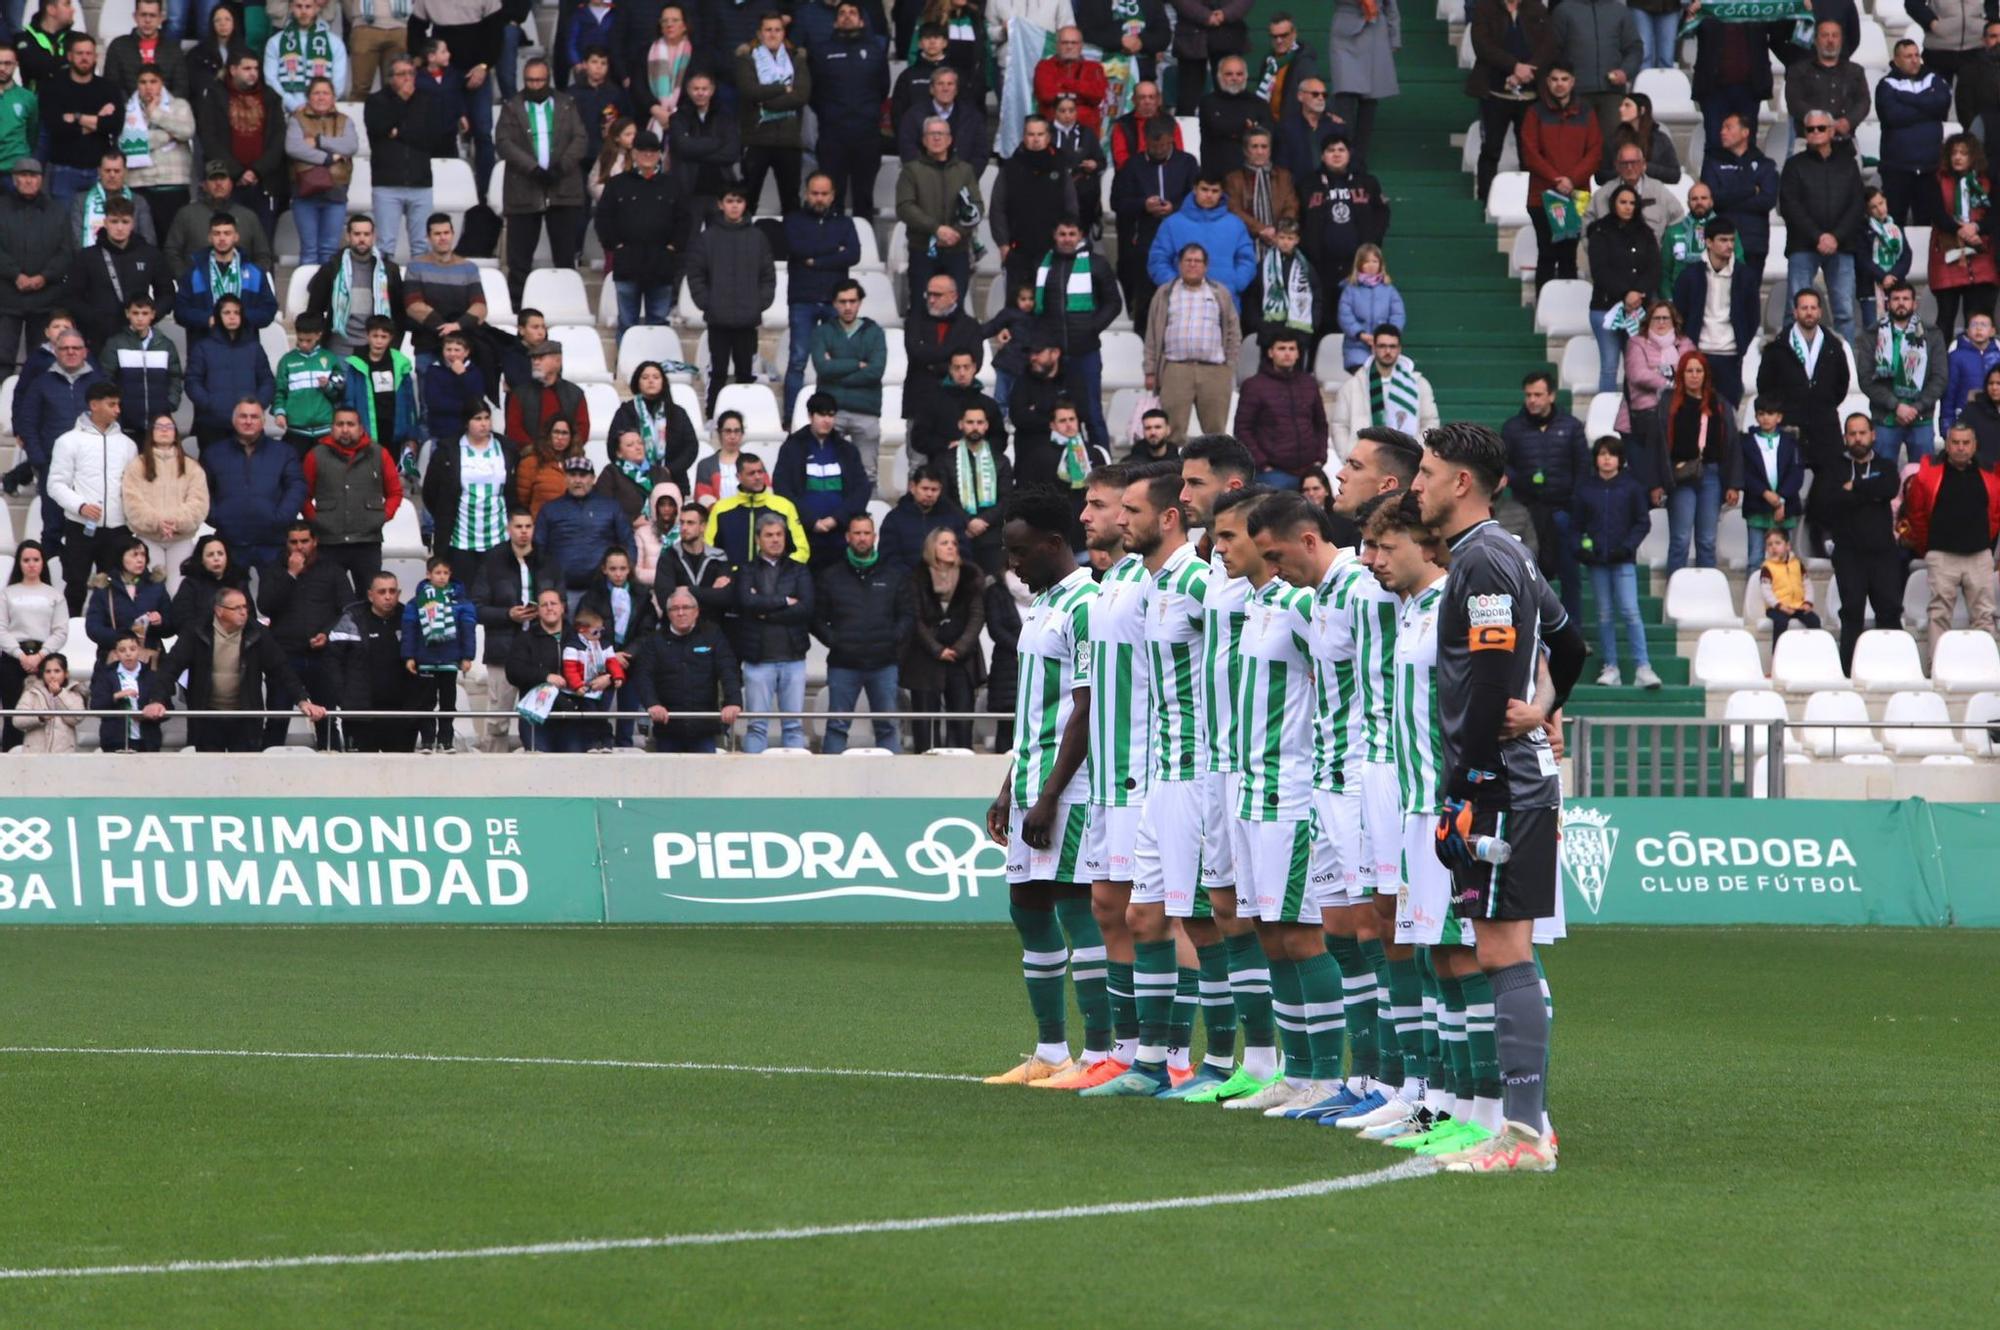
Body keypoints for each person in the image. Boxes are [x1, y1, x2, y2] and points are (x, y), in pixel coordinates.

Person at [1406, 421, 1587, 1171]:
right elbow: (1570, 647)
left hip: (1502, 783)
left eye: (1425, 472)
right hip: (1513, 775)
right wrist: (1543, 705)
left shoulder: (1481, 561)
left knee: (1503, 949)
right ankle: (1522, 1125)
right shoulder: (1509, 552)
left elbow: (1487, 676)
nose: (1416, 485)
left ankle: (1523, 1134)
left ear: (1461, 484)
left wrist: (1471, 781)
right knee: (1496, 948)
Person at [979, 482, 1104, 1084]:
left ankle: (1103, 1056)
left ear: (1056, 544)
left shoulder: (1086, 605)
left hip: (1070, 789)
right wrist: (1010, 787)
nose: (1012, 564)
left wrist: (1051, 795)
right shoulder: (1047, 604)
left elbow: (1086, 709)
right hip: (1031, 780)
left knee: (1081, 911)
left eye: (1020, 551)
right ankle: (1052, 1052)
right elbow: (1038, 711)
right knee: (1027, 907)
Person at [144, 582, 320, 751]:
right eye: (237, 608)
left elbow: (281, 669)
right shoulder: (196, 631)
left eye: (245, 607)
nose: (243, 612)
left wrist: (302, 700)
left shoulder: (258, 633)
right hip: (206, 718)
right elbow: (171, 667)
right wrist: (157, 700)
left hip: (245, 718)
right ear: (219, 610)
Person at [1756, 288, 1850, 551]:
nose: (1809, 312)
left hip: (1824, 426)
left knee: (1830, 481)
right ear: (1795, 312)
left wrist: (1821, 404)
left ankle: (1818, 534)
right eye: (1804, 307)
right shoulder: (1779, 347)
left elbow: (1841, 385)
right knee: (1785, 484)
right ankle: (1779, 542)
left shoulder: (1833, 346)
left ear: (1820, 311)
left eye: (1813, 307)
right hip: (1790, 426)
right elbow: (1765, 385)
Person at [1897, 421, 2000, 652]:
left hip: (1979, 555)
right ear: (1947, 444)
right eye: (1955, 442)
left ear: (1974, 446)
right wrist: (1929, 548)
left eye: (1966, 443)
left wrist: (1985, 545)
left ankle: (1986, 666)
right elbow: (1917, 515)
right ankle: (1938, 667)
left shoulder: (1990, 475)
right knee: (1939, 614)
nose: (1961, 448)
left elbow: (1995, 515)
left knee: (1984, 616)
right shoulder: (1928, 475)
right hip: (1942, 555)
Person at [811, 511, 909, 753]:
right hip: (843, 664)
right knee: (837, 726)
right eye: (857, 533)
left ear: (874, 536)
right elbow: (816, 618)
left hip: (884, 663)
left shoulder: (893, 575)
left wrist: (891, 640)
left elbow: (907, 616)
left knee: (887, 726)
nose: (862, 538)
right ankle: (831, 786)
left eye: (867, 533)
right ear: (848, 537)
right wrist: (836, 641)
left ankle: (891, 785)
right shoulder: (831, 576)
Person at [495, 58, 588, 306]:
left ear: (548, 80)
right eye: (530, 80)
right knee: (519, 259)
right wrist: (532, 169)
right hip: (523, 189)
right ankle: (517, 307)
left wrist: (560, 167)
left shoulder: (567, 104)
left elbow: (580, 139)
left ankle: (568, 304)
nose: (535, 85)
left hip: (563, 188)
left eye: (539, 80)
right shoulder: (512, 106)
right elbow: (504, 142)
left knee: (565, 257)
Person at [471, 507, 564, 750]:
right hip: (502, 648)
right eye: (518, 526)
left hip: (540, 650)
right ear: (508, 528)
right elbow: (477, 608)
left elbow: (560, 600)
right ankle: (492, 775)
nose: (524, 532)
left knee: (539, 717)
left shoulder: (548, 559)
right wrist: (507, 614)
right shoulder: (492, 560)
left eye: (528, 526)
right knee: (498, 721)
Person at [1571, 435, 1658, 686]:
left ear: (1620, 459)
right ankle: (1611, 667)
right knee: (1605, 614)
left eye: (1612, 454)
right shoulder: (1586, 489)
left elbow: (1643, 522)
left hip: (1623, 561)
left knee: (1631, 611)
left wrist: (1627, 547)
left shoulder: (1631, 487)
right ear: (1596, 458)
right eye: (1602, 454)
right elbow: (1575, 527)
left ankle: (1643, 667)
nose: (1607, 459)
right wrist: (1581, 550)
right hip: (1597, 563)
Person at [48, 380, 140, 614]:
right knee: (76, 584)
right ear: (94, 405)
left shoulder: (128, 445)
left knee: (114, 587)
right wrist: (80, 506)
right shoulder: (68, 441)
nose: (118, 410)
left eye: (119, 404)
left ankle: (113, 642)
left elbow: (133, 487)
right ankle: (69, 637)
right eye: (112, 404)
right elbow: (55, 484)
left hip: (118, 528)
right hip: (81, 527)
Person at [1503, 371, 1588, 623]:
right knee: (1529, 576)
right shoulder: (1512, 428)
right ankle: (1534, 633)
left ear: (1551, 395)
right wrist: (1523, 481)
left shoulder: (1571, 427)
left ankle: (1574, 635)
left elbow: (1583, 468)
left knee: (1570, 576)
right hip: (1526, 512)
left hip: (1562, 512)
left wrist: (1574, 504)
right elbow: (1504, 466)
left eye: (1538, 394)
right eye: (1528, 395)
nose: (1532, 400)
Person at [1824, 413, 1907, 670]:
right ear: (1845, 437)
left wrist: (1856, 487)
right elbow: (1832, 499)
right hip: (1849, 553)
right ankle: (1849, 671)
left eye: (1862, 433)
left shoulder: (1886, 465)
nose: (1858, 438)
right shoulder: (1834, 467)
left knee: (1889, 611)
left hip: (1883, 552)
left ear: (1873, 435)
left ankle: (1894, 669)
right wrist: (1869, 491)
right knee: (1852, 613)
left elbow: (1889, 488)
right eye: (1852, 434)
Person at [686, 184, 776, 415]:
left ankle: (746, 415)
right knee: (718, 372)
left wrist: (759, 303)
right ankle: (713, 415)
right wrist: (708, 302)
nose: (734, 205)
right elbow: (696, 275)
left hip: (747, 320)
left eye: (739, 201)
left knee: (746, 373)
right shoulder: (708, 238)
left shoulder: (757, 237)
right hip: (718, 319)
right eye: (729, 200)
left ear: (745, 204)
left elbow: (767, 275)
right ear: (720, 204)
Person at [1651, 350, 1743, 573]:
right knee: (1681, 540)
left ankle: (1707, 595)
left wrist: (1733, 484)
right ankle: (1675, 594)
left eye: (1698, 371)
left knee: (1707, 541)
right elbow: (1657, 444)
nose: (1694, 375)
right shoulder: (1668, 402)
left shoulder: (1719, 403)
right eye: (1689, 371)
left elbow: (1731, 444)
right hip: (1680, 475)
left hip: (1711, 474)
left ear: (1705, 374)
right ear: (1682, 374)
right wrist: (1657, 482)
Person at [730, 515, 813, 753]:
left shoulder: (799, 570)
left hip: (793, 658)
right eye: (769, 535)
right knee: (756, 726)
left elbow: (806, 608)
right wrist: (785, 601)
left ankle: (796, 785)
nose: (775, 540)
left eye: (779, 534)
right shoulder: (746, 570)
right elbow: (746, 602)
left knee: (794, 726)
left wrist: (765, 611)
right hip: (758, 660)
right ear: (758, 539)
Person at [780, 172, 860, 421]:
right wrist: (834, 251)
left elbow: (853, 254)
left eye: (824, 194)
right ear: (806, 193)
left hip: (834, 302)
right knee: (798, 360)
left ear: (833, 195)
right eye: (815, 193)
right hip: (802, 299)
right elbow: (796, 248)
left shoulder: (845, 223)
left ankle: (830, 414)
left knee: (835, 362)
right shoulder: (793, 220)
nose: (819, 198)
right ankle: (791, 417)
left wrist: (815, 260)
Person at [1145, 242, 1241, 446]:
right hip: (1175, 368)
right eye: (1188, 260)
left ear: (1206, 266)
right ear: (1179, 264)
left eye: (1198, 261)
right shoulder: (1165, 293)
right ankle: (1173, 476)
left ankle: (1213, 476)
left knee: (1215, 434)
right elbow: (1152, 335)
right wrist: (1150, 370)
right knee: (1171, 432)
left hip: (1214, 370)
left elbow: (1233, 332)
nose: (1192, 265)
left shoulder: (1220, 293)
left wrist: (1229, 366)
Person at [621, 584, 738, 752]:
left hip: (704, 729)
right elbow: (643, 675)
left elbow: (728, 669)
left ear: (696, 611)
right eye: (675, 609)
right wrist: (652, 704)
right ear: (668, 614)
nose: (681, 613)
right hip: (667, 728)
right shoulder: (654, 641)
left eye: (686, 607)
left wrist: (732, 702)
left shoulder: (712, 635)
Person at [1781, 109, 1865, 341]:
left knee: (1845, 312)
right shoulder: (1794, 165)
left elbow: (1857, 205)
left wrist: (1836, 237)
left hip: (1842, 246)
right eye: (1810, 129)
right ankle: (1790, 364)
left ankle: (1845, 368)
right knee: (1793, 310)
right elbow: (1790, 206)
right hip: (1803, 246)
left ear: (1831, 131)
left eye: (1820, 128)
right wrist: (1818, 237)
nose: (1815, 133)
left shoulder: (1848, 164)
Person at [302, 404, 403, 594]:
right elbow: (303, 495)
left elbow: (395, 492)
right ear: (332, 428)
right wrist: (315, 521)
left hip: (368, 542)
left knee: (369, 599)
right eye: (340, 424)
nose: (345, 429)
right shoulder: (315, 455)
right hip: (328, 542)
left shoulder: (379, 453)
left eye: (350, 424)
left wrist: (382, 516)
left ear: (361, 428)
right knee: (328, 597)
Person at [899, 525, 983, 752]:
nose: (950, 548)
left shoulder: (970, 576)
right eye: (944, 543)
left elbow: (976, 617)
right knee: (925, 724)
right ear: (931, 547)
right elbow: (915, 619)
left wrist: (959, 648)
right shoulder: (916, 577)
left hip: (961, 660)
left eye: (954, 543)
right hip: (925, 660)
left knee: (962, 723)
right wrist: (937, 649)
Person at [594, 129, 683, 339]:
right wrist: (615, 245)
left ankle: (655, 369)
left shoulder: (672, 185)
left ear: (660, 154)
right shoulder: (617, 184)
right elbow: (604, 218)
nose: (648, 155)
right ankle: (625, 367)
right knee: (626, 322)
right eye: (643, 151)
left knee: (659, 322)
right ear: (633, 154)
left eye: (653, 151)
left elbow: (684, 221)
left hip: (661, 264)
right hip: (627, 264)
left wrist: (674, 247)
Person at [1519, 64, 1600, 290]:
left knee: (1568, 256)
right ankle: (1543, 310)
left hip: (1576, 196)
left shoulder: (1586, 113)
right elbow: (1530, 153)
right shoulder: (1535, 113)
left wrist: (1572, 180)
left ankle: (1567, 312)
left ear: (1573, 81)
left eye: (1564, 79)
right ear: (1547, 82)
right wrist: (1556, 179)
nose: (1559, 84)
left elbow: (1595, 152)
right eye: (1554, 79)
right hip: (1541, 196)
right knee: (1546, 253)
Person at [1111, 119, 1198, 326]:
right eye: (1155, 145)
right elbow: (1118, 202)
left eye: (1165, 145)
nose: (1159, 150)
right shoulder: (1133, 165)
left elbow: (1196, 198)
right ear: (1146, 141)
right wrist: (1143, 205)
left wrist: (1175, 208)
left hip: (1180, 237)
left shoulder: (1187, 163)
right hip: (1144, 240)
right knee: (1145, 300)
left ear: (1172, 140)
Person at [325, 570, 422, 751]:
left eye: (392, 592)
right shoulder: (352, 619)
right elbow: (332, 661)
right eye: (382, 592)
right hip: (360, 715)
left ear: (399, 594)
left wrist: (416, 703)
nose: (388, 597)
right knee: (359, 775)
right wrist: (344, 698)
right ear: (370, 595)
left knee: (401, 775)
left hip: (402, 716)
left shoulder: (409, 619)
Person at [365, 56, 449, 265]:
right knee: (385, 246)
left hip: (420, 182)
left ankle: (419, 289)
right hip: (386, 182)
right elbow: (378, 129)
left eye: (411, 73)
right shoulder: (376, 101)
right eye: (402, 74)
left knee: (422, 245)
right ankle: (385, 291)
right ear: (390, 78)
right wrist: (401, 103)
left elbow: (433, 137)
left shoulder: (427, 99)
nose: (407, 79)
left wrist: (398, 132)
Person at [773, 393, 873, 569]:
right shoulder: (792, 448)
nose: (827, 420)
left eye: (831, 415)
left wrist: (836, 519)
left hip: (840, 536)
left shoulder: (847, 450)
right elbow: (782, 488)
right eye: (821, 415)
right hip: (803, 535)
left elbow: (862, 489)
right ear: (811, 416)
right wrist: (811, 521)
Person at [807, 1, 887, 218]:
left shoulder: (875, 51)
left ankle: (864, 247)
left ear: (862, 21)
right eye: (842, 13)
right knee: (832, 198)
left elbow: (882, 88)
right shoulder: (822, 52)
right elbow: (814, 93)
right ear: (835, 22)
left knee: (864, 197)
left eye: (852, 12)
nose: (847, 16)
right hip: (833, 135)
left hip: (866, 135)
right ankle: (832, 247)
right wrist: (830, 114)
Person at [1859, 279, 1950, 466]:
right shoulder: (1872, 334)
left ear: (1914, 303)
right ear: (1888, 303)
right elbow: (1866, 378)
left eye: (1906, 298)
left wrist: (1916, 407)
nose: (1901, 303)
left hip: (1921, 418)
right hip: (1885, 418)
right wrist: (1896, 405)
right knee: (1883, 479)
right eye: (1896, 299)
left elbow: (1940, 377)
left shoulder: (1932, 334)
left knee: (1923, 477)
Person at [894, 114, 982, 306]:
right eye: (931, 134)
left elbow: (977, 207)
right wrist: (936, 229)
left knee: (955, 307)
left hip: (957, 250)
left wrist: (957, 232)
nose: (936, 138)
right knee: (921, 305)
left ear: (949, 140)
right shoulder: (911, 171)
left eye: (941, 134)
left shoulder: (965, 170)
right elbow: (904, 207)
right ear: (924, 140)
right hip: (923, 250)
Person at [1672, 215, 1758, 408]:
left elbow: (1753, 317)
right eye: (1723, 240)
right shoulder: (1690, 276)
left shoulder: (1745, 276)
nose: (1729, 245)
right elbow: (1679, 314)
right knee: (1695, 411)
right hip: (1699, 353)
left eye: (1731, 240)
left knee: (1727, 413)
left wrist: (1740, 345)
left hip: (1731, 355)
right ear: (1708, 242)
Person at [0, 159, 76, 379]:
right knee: (2, 359)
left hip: (45, 299)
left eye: (33, 176)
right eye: (23, 175)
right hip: (6, 298)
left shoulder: (57, 210)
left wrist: (44, 276)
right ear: (14, 179)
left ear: (41, 179)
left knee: (42, 362)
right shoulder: (1, 207)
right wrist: (15, 274)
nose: (28, 180)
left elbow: (66, 252)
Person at [194, 55, 285, 236]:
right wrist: (237, 172)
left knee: (261, 239)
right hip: (227, 181)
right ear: (233, 70)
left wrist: (256, 171)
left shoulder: (270, 97)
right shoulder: (214, 95)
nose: (253, 73)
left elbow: (278, 139)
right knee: (226, 238)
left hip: (263, 182)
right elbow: (209, 138)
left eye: (256, 69)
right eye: (247, 69)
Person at [809, 279, 889, 485]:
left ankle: (869, 515)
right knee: (828, 470)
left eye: (852, 301)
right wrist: (857, 364)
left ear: (860, 302)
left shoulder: (875, 332)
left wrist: (836, 368)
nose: (847, 306)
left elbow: (875, 372)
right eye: (842, 301)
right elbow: (822, 368)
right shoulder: (822, 331)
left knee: (868, 473)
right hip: (831, 413)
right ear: (834, 304)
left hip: (866, 411)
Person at [1921, 132, 2000, 337]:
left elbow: (1995, 214)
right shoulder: (1936, 180)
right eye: (1954, 153)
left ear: (1973, 156)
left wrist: (1977, 228)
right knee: (1946, 317)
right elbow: (1937, 213)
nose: (1958, 157)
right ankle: (1941, 366)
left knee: (1978, 317)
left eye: (1963, 153)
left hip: (1981, 252)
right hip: (1947, 252)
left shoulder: (1987, 181)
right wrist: (1963, 230)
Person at [1586, 183, 1661, 397]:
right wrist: (1626, 294)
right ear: (1613, 204)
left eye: (1632, 203)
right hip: (1605, 308)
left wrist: (1638, 292)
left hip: (1639, 310)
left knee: (1636, 365)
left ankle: (1634, 413)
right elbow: (1600, 270)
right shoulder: (1600, 232)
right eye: (1623, 202)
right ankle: (1607, 415)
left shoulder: (1646, 233)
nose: (1628, 207)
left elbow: (1654, 268)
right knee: (1609, 366)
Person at [398, 552, 477, 750]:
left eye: (445, 573)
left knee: (448, 704)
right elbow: (410, 631)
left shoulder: (462, 603)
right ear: (428, 574)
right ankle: (427, 740)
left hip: (450, 661)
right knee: (426, 703)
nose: (441, 576)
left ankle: (446, 740)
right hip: (425, 660)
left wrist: (467, 656)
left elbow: (468, 631)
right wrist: (409, 656)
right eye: (437, 572)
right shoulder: (417, 602)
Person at [734, 12, 810, 213]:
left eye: (777, 30)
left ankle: (791, 244)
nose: (773, 34)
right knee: (748, 199)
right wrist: (783, 89)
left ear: (784, 33)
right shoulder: (747, 59)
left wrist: (766, 102)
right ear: (759, 34)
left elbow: (801, 95)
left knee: (791, 202)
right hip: (756, 139)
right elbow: (750, 91)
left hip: (789, 141)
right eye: (768, 30)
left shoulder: (797, 59)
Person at [991, 116, 1075, 297]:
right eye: (1031, 134)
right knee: (1018, 309)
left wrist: (1066, 240)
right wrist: (1003, 245)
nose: (1035, 139)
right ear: (1024, 137)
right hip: (1018, 251)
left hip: (1053, 250)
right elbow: (997, 209)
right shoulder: (1010, 167)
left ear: (1048, 137)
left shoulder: (1060, 167)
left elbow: (1071, 206)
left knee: (1050, 304)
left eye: (1040, 134)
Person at [121, 415, 207, 589]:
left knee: (179, 588)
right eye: (159, 427)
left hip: (181, 537)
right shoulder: (137, 465)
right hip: (149, 537)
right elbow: (132, 501)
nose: (164, 430)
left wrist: (175, 522)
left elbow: (199, 502)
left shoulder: (191, 467)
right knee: (152, 588)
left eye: (169, 426)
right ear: (151, 432)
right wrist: (157, 522)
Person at [1146, 174, 1257, 308]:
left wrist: (1235, 285)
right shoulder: (1172, 223)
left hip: (1225, 303)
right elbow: (1158, 261)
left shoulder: (1236, 224)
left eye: (1214, 191)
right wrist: (1176, 287)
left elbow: (1247, 260)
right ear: (1195, 189)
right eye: (1204, 189)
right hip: (1181, 305)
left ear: (1222, 193)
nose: (1209, 195)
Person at [1233, 330, 1326, 488]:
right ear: (1270, 352)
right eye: (1282, 349)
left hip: (1310, 470)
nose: (1287, 354)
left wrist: (1320, 458)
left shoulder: (1309, 383)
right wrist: (1262, 464)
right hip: (1273, 473)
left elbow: (1321, 424)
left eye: (1292, 349)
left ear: (1298, 354)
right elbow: (1242, 429)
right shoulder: (1254, 386)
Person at [303, 213, 405, 357]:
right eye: (357, 234)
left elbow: (399, 314)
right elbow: (315, 310)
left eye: (366, 234)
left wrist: (393, 348)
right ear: (348, 236)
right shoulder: (332, 268)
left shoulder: (389, 270)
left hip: (377, 350)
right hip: (339, 348)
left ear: (373, 237)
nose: (362, 239)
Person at [1332, 325, 1438, 460]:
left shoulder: (1419, 384)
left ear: (1400, 349)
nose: (1388, 351)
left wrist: (1416, 454)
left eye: (1392, 346)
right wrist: (1349, 456)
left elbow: (1430, 422)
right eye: (1382, 346)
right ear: (1373, 348)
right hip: (1363, 462)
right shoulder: (1352, 386)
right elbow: (1339, 424)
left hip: (1406, 462)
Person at [1877, 39, 1953, 226]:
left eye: (1917, 55)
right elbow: (1893, 116)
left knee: (1928, 226)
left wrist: (1906, 99)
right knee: (1894, 225)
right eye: (1908, 56)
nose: (1914, 60)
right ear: (1896, 60)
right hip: (1897, 170)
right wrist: (1927, 108)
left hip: (1929, 169)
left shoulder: (1933, 79)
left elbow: (1942, 105)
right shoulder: (1886, 84)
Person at [0, 540, 67, 750]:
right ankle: (10, 755)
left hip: (45, 658)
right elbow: (1, 628)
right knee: (13, 711)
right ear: (19, 563)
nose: (31, 564)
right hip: (13, 658)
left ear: (42, 563)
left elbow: (61, 630)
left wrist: (41, 655)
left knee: (43, 708)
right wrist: (20, 654)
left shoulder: (54, 595)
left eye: (36, 560)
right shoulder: (7, 593)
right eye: (26, 560)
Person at [283, 77, 357, 266]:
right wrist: (328, 158)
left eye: (326, 93)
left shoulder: (344, 121)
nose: (321, 97)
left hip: (336, 192)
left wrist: (318, 141)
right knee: (309, 251)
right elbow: (294, 147)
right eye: (316, 93)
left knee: (329, 251)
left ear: (333, 97)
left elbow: (350, 146)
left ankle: (325, 295)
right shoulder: (296, 119)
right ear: (308, 97)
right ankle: (307, 296)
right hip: (305, 192)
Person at [186, 294, 275, 449]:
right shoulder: (203, 347)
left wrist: (256, 407)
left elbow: (267, 380)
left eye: (236, 313)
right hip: (212, 424)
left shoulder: (254, 347)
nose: (232, 317)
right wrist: (209, 404)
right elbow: (192, 381)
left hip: (248, 424)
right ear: (217, 316)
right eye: (227, 313)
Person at [39, 35, 119, 206]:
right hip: (63, 169)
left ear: (96, 57)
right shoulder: (53, 88)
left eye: (89, 53)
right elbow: (56, 128)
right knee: (65, 228)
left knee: (99, 226)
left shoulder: (109, 88)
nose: (84, 58)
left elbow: (115, 124)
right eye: (79, 53)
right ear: (69, 56)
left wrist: (77, 118)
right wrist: (98, 120)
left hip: (99, 170)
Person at [173, 214, 279, 342]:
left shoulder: (254, 273)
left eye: (227, 233)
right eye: (217, 233)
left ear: (236, 237)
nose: (222, 238)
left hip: (244, 346)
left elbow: (269, 309)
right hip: (205, 346)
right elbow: (180, 312)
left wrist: (241, 317)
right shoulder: (194, 273)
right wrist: (209, 319)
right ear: (210, 238)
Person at [340, 314, 421, 477]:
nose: (379, 341)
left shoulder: (400, 364)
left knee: (390, 472)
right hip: (366, 428)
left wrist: (411, 434)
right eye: (375, 336)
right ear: (367, 336)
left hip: (394, 427)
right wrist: (350, 427)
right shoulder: (357, 364)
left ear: (391, 338)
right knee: (366, 473)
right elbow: (349, 398)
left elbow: (409, 402)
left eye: (383, 337)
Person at [1701, 113, 1780, 278]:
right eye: (1722, 128)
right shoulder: (1712, 163)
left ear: (1745, 132)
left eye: (1729, 127)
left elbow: (1767, 201)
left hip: (1754, 243)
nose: (1722, 132)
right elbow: (1712, 198)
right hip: (1719, 243)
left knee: (1748, 298)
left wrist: (1728, 199)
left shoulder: (1765, 165)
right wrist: (1750, 190)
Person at [163, 160, 277, 274]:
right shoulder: (186, 214)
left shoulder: (248, 216)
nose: (218, 183)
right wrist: (188, 279)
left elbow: (263, 256)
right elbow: (172, 252)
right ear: (204, 185)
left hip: (241, 286)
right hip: (198, 288)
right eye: (213, 179)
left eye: (223, 178)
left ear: (231, 184)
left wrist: (250, 279)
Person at [903, 272, 984, 427]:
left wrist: (933, 364)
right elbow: (915, 353)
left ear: (953, 296)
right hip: (920, 402)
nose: (931, 300)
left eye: (937, 295)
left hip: (958, 406)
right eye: (929, 294)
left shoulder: (970, 326)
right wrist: (953, 354)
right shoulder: (914, 321)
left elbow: (975, 363)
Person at [533, 456, 626, 591]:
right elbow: (539, 549)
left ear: (593, 478)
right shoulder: (549, 510)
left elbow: (627, 542)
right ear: (565, 478)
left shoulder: (611, 507)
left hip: (603, 590)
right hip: (561, 590)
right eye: (572, 475)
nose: (577, 480)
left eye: (583, 475)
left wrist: (624, 574)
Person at [1324, 0, 1400, 159]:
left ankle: (1359, 161)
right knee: (1344, 97)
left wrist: (1394, 37)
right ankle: (1342, 156)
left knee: (1369, 101)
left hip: (1375, 32)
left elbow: (1390, 5)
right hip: (1345, 34)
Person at [940, 404, 1010, 575]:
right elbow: (943, 497)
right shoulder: (946, 459)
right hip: (959, 534)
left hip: (992, 534)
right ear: (961, 425)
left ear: (986, 426)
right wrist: (968, 521)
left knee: (993, 589)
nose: (975, 426)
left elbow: (1007, 498)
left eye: (980, 422)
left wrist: (983, 521)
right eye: (970, 422)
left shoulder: (1000, 460)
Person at [99, 291, 182, 437]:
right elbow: (105, 378)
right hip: (125, 420)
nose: (140, 318)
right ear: (127, 314)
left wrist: (170, 403)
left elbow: (175, 376)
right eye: (135, 313)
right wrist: (118, 405)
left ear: (152, 314)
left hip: (159, 420)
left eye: (144, 313)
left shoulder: (165, 344)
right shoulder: (116, 343)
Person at [705, 453, 811, 564]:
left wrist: (780, 571)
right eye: (751, 473)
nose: (758, 477)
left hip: (774, 579)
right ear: (738, 477)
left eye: (760, 472)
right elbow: (709, 550)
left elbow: (802, 550)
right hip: (733, 578)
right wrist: (724, 573)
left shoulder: (784, 506)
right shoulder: (720, 509)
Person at [606, 363, 698, 490]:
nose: (650, 381)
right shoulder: (625, 412)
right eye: (645, 377)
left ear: (663, 382)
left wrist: (668, 470)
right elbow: (613, 447)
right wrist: (634, 470)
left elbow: (691, 447)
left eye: (656, 377)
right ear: (637, 382)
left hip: (673, 480)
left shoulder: (677, 413)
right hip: (632, 481)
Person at [1740, 396, 1807, 567]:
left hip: (1786, 507)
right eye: (1761, 414)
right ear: (1756, 417)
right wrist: (1765, 493)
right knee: (1755, 558)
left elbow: (1796, 474)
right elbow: (1745, 473)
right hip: (1757, 506)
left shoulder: (1791, 442)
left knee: (1785, 558)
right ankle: (1754, 593)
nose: (1765, 418)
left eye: (1770, 413)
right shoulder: (1746, 443)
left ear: (1779, 417)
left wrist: (1781, 499)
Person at [83, 536, 172, 665]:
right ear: (121, 557)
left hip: (149, 660)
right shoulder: (105, 588)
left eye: (143, 554)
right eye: (134, 555)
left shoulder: (155, 586)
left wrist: (160, 622)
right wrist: (122, 638)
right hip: (115, 659)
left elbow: (171, 625)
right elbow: (93, 627)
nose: (140, 559)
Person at [666, 71, 739, 213]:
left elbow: (732, 153)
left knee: (719, 235)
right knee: (689, 235)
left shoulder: (725, 117)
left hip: (721, 190)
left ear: (711, 90)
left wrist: (694, 152)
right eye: (696, 89)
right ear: (688, 90)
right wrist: (716, 143)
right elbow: (682, 148)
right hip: (689, 190)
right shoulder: (678, 118)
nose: (700, 93)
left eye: (704, 89)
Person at [878, 465, 967, 573]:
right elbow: (888, 557)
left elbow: (964, 553)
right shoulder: (894, 518)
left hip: (946, 579)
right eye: (925, 489)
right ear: (912, 487)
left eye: (934, 490)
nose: (929, 494)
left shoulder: (952, 517)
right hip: (906, 582)